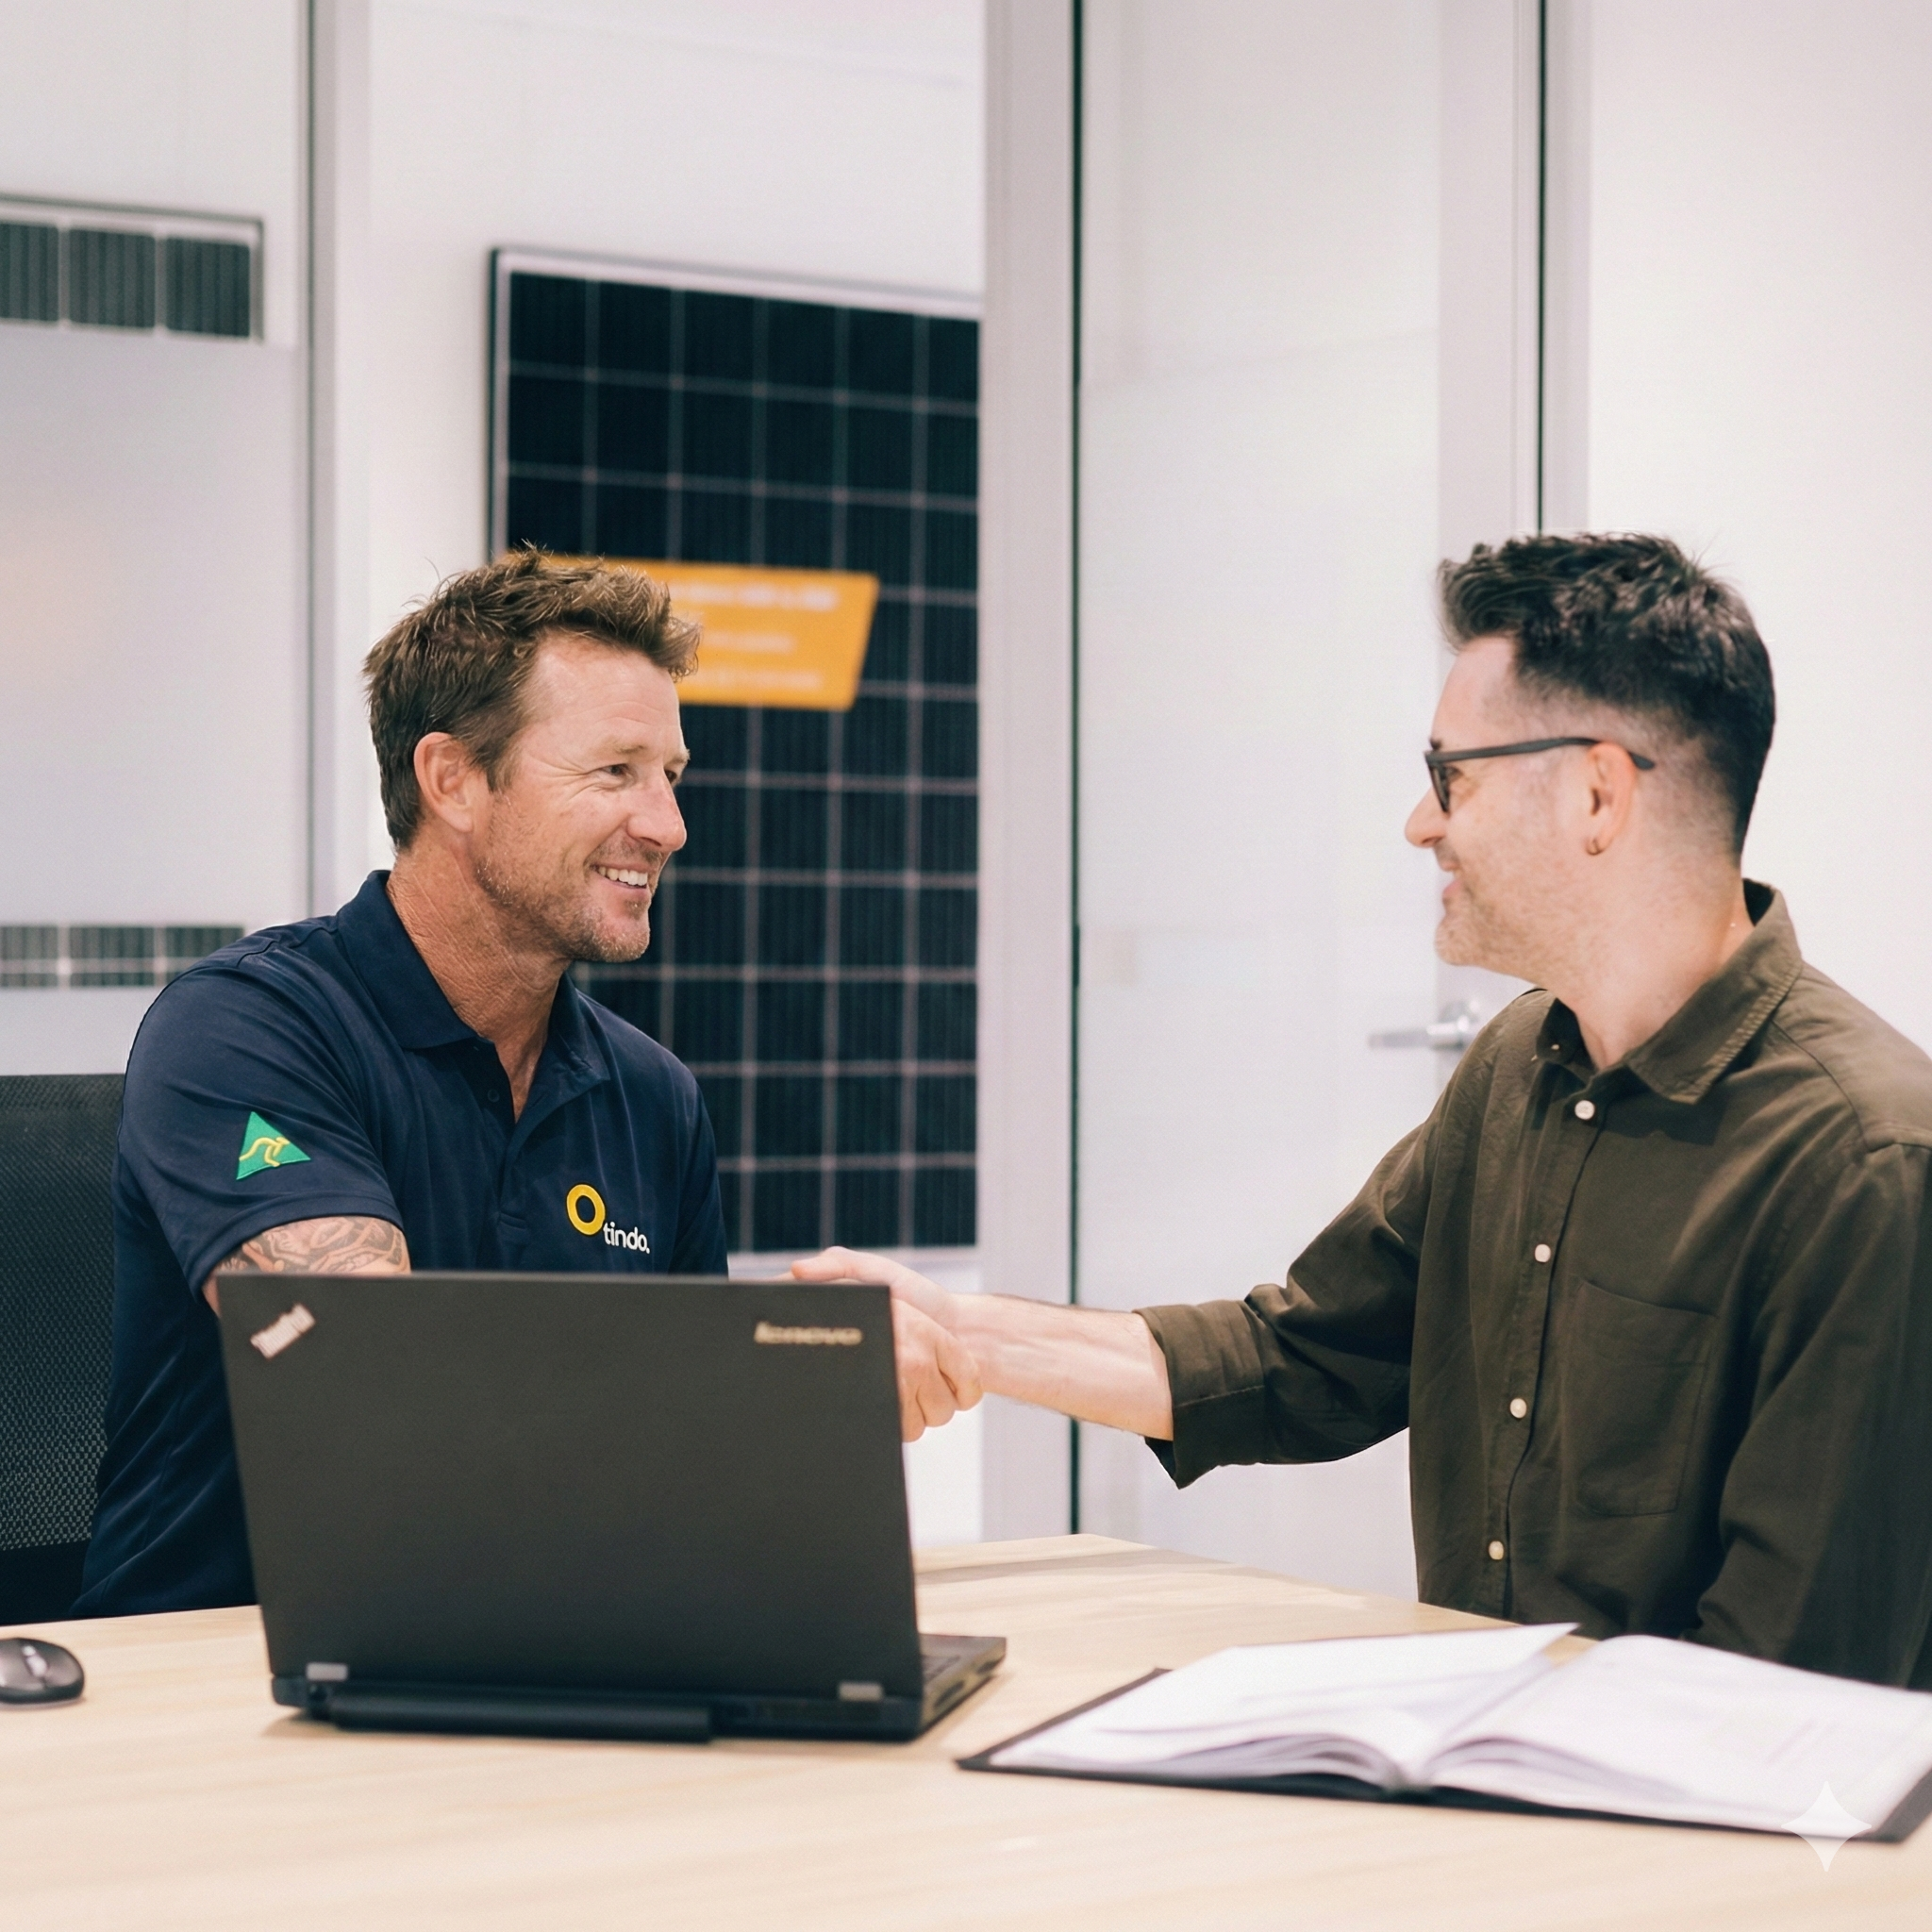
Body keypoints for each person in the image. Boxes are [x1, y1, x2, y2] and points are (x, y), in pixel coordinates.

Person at [805, 532, 1932, 1688]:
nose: (1419, 822)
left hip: (1689, 1835)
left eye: (1453, 775)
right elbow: (1298, 1358)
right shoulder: (1513, 1068)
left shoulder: (1868, 1160)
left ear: (1598, 792)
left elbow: (1799, 1682)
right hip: (1501, 1781)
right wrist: (957, 1330)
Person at [76, 553, 729, 1616]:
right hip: (223, 1677)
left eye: (671, 775)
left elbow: (692, 1452)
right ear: (452, 780)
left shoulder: (652, 1097)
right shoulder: (243, 1028)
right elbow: (359, 1378)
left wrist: (815, 1381)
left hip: (536, 1652)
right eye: (615, 772)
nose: (666, 824)